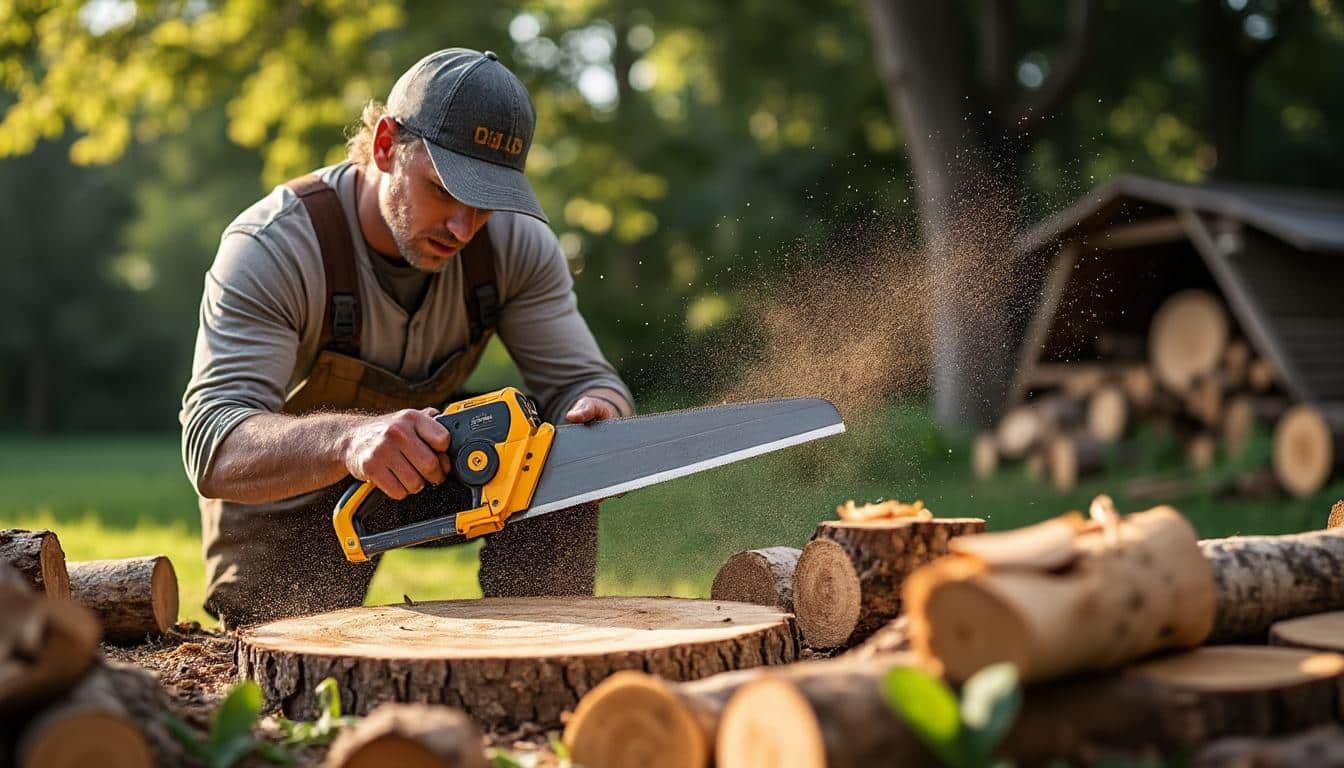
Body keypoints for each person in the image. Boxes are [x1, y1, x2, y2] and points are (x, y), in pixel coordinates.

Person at [179, 48, 634, 628]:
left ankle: (544, 644)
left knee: (558, 459)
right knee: (284, 661)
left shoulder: (518, 247)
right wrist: (350, 443)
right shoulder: (274, 247)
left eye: (487, 204)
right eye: (444, 190)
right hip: (292, 500)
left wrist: (602, 417)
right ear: (386, 144)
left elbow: (585, 383)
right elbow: (212, 444)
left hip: (440, 471)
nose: (464, 228)